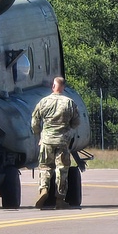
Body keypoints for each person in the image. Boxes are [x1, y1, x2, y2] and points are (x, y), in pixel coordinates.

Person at [31, 76, 80, 209]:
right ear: (63, 87)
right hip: (63, 141)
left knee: (45, 167)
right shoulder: (69, 103)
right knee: (62, 169)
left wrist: (39, 135)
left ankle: (44, 190)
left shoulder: (44, 102)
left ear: (53, 86)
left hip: (46, 140)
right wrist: (67, 130)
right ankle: (60, 199)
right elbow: (76, 122)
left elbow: (35, 121)